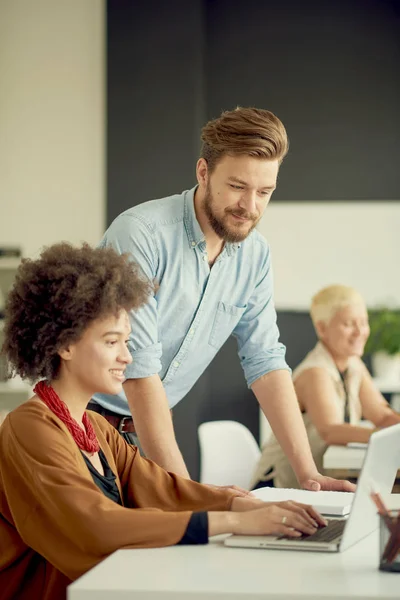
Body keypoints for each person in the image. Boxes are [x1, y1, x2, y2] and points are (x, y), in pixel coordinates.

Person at [0, 242, 327, 600]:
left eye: (127, 341)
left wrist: (241, 503)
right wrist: (235, 521)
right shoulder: (29, 426)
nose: (127, 356)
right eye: (112, 342)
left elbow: (164, 490)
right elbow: (93, 524)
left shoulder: (95, 427)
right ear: (64, 345)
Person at [91, 106, 353, 493]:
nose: (250, 207)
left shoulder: (254, 256)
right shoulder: (142, 235)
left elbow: (265, 361)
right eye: (237, 187)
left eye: (264, 192)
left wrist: (308, 474)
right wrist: (185, 493)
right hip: (82, 422)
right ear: (203, 172)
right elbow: (140, 370)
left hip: (144, 431)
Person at [251, 284, 400, 490]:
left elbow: (381, 415)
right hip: (278, 487)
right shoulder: (315, 371)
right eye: (349, 324)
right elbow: (331, 431)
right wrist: (387, 438)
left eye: (363, 322)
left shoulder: (353, 364)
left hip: (320, 484)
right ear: (322, 328)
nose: (359, 331)